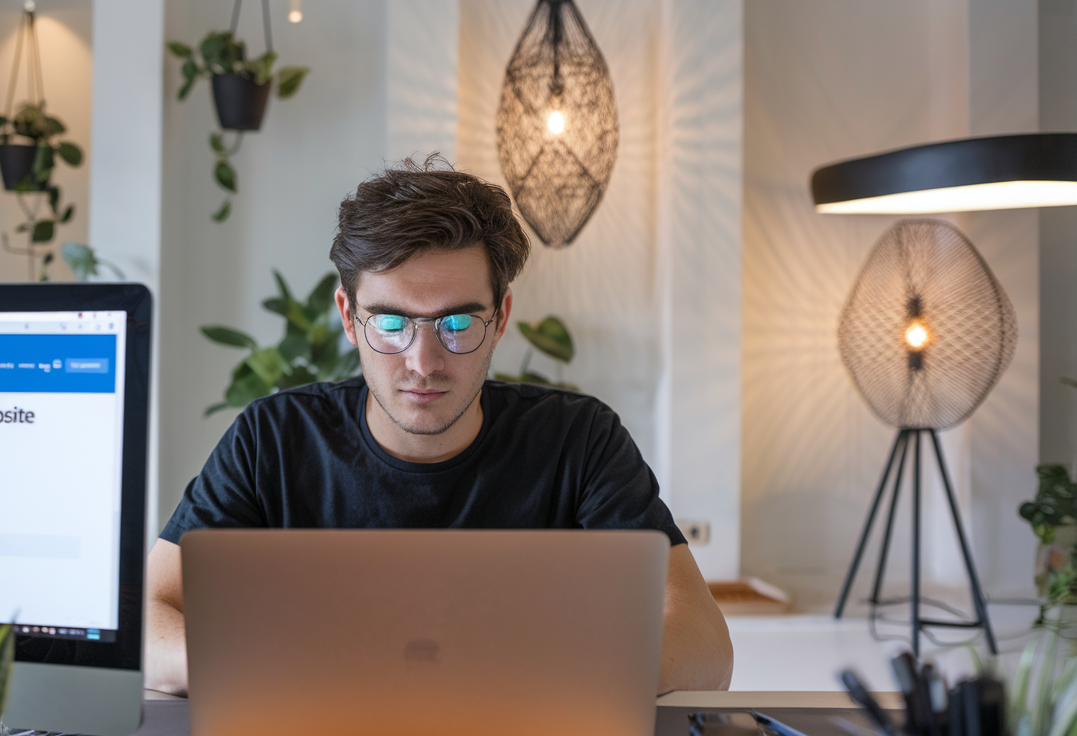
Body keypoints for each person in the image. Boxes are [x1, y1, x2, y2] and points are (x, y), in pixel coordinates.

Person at [144, 156, 733, 696]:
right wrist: (286, 673)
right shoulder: (272, 439)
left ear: (500, 317)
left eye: (456, 323)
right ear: (349, 317)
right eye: (392, 322)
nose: (423, 362)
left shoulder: (579, 442)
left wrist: (512, 684)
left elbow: (703, 646)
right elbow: (145, 613)